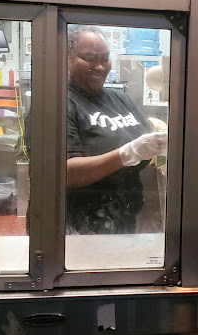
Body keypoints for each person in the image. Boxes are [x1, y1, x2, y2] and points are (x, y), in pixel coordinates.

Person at [65, 25, 167, 235]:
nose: (100, 66)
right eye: (89, 58)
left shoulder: (120, 99)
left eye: (105, 58)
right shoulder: (59, 101)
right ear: (66, 59)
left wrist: (160, 143)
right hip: (78, 228)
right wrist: (126, 153)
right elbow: (65, 174)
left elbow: (144, 152)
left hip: (125, 221)